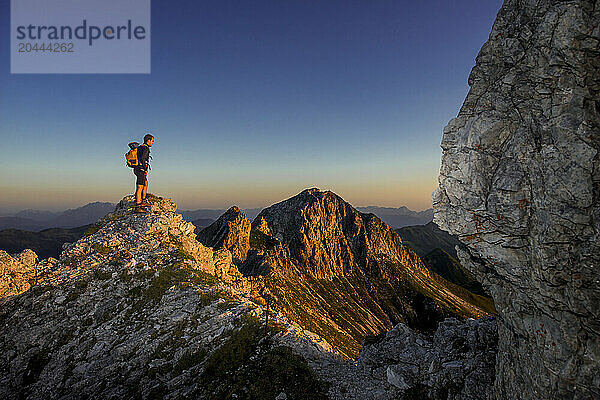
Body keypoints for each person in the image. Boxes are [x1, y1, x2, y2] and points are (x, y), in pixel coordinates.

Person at [133, 133, 154, 213]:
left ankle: (143, 200)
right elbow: (143, 159)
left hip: (137, 169)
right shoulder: (145, 148)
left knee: (145, 183)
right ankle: (138, 206)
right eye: (152, 141)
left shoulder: (139, 148)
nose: (152, 143)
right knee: (139, 187)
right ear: (148, 140)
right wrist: (144, 169)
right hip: (141, 170)